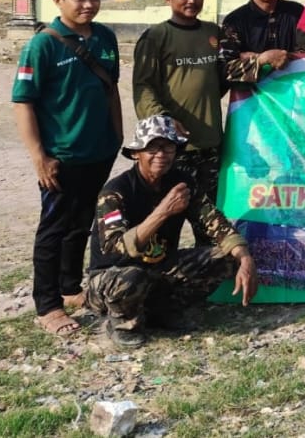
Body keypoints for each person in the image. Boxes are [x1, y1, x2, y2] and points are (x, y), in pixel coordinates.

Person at [13, 0, 122, 337]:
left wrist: (117, 135)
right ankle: (48, 306)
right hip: (60, 156)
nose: (89, 4)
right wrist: (38, 156)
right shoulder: (42, 44)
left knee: (81, 224)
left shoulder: (106, 38)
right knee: (54, 229)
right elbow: (23, 102)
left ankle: (71, 286)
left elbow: (111, 89)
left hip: (98, 151)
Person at [85, 115, 257, 348]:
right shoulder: (115, 191)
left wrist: (245, 258)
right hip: (112, 276)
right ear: (136, 153)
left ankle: (162, 310)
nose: (161, 154)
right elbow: (115, 249)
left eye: (168, 147)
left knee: (224, 258)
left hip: (158, 267)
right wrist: (163, 212)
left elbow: (213, 221)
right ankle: (121, 321)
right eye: (152, 147)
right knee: (132, 277)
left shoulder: (181, 182)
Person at [132, 0, 226, 244]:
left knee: (210, 225)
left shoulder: (213, 33)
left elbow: (225, 76)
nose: (192, 0)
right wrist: (164, 122)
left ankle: (205, 283)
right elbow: (143, 86)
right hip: (172, 150)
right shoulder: (156, 37)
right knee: (165, 224)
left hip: (210, 146)